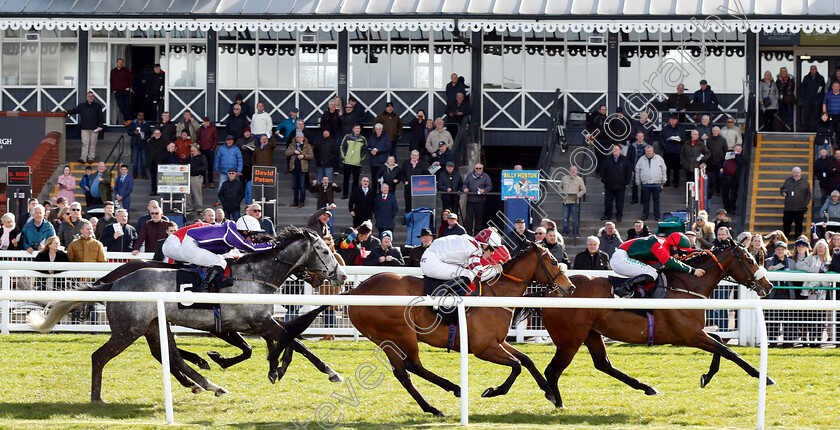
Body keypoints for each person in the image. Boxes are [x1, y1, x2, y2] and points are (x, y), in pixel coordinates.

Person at [181, 215, 276, 286]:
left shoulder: (233, 230)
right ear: (245, 232)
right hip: (190, 246)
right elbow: (252, 248)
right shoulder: (231, 235)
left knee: (223, 260)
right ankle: (205, 286)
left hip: (193, 244)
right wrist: (273, 244)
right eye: (253, 235)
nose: (253, 239)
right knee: (220, 263)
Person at [419, 228, 503, 305]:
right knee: (468, 275)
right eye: (493, 249)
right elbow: (479, 275)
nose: (493, 253)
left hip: (429, 257)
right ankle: (441, 291)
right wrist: (497, 269)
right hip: (432, 262)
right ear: (485, 246)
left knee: (465, 272)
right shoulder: (474, 249)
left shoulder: (471, 243)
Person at [611, 232, 705, 298]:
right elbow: (669, 262)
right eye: (680, 253)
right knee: (652, 273)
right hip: (621, 258)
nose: (680, 257)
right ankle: (624, 288)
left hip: (625, 257)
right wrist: (693, 271)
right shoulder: (659, 244)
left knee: (653, 272)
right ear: (675, 248)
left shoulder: (663, 244)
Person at [764, 241, 797, 347]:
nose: (780, 251)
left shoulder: (792, 262)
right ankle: (773, 342)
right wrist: (768, 271)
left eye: (782, 249)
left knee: (788, 319)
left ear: (786, 250)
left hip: (787, 293)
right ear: (775, 250)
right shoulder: (768, 261)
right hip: (774, 294)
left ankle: (787, 342)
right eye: (778, 249)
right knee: (773, 319)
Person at [64, 91, 105, 163]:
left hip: (95, 128)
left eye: (92, 96)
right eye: (89, 96)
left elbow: (101, 117)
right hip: (84, 128)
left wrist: (100, 126)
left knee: (92, 144)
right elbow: (74, 111)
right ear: (86, 97)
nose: (90, 98)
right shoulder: (82, 106)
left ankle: (91, 158)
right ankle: (83, 158)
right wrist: (66, 111)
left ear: (94, 97)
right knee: (85, 143)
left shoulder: (98, 106)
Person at [599, 144, 632, 222]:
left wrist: (626, 182)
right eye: (614, 149)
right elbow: (602, 170)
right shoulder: (607, 159)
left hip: (621, 185)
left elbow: (629, 172)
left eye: (617, 149)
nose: (615, 151)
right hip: (609, 185)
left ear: (620, 151)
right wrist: (604, 180)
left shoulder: (625, 160)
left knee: (620, 202)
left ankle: (619, 216)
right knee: (608, 201)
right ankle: (607, 215)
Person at [636, 145, 666, 221]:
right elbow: (637, 171)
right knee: (645, 200)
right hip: (645, 184)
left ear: (653, 151)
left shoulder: (659, 158)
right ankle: (645, 215)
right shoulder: (641, 159)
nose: (649, 153)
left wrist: (663, 180)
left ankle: (657, 215)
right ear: (645, 151)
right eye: (647, 151)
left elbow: (664, 170)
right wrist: (638, 181)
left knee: (656, 200)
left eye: (650, 151)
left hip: (656, 183)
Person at [780, 167, 812, 239]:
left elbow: (809, 194)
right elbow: (782, 189)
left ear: (800, 173)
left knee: (798, 225)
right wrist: (783, 193)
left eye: (797, 172)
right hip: (788, 208)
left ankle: (797, 239)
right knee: (786, 224)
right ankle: (785, 239)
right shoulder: (788, 181)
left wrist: (805, 203)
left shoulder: (805, 182)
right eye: (794, 172)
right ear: (792, 173)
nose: (796, 174)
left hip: (800, 208)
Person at [462, 163, 492, 235]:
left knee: (479, 217)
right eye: (477, 168)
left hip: (480, 200)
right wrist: (465, 188)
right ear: (474, 169)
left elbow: (489, 186)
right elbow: (465, 184)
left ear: (482, 169)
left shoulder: (485, 176)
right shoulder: (470, 175)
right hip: (470, 199)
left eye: (480, 168)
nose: (478, 170)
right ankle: (469, 232)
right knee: (469, 217)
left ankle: (477, 232)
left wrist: (484, 190)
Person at [286, 134, 314, 207]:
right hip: (294, 168)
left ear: (303, 138)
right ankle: (295, 201)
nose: (299, 138)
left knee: (302, 186)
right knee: (295, 186)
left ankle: (302, 201)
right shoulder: (292, 145)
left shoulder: (307, 145)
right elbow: (286, 153)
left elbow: (311, 155)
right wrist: (293, 152)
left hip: (303, 168)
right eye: (298, 137)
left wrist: (304, 156)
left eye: (301, 137)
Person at [340, 124, 367, 197]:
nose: (357, 130)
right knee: (346, 179)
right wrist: (345, 157)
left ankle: (354, 194)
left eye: (359, 128)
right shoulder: (347, 137)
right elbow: (343, 147)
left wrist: (360, 158)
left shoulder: (363, 139)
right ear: (353, 129)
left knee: (356, 180)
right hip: (347, 162)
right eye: (356, 128)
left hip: (357, 163)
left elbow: (364, 150)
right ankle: (345, 194)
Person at [720, 144, 746, 214]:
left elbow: (742, 163)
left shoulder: (742, 157)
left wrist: (736, 155)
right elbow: (721, 161)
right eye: (736, 149)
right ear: (733, 149)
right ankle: (726, 207)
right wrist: (721, 168)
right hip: (725, 177)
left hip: (734, 178)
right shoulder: (727, 154)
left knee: (733, 194)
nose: (737, 150)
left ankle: (732, 208)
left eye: (739, 149)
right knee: (724, 193)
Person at [559, 166, 585, 236]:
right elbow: (559, 187)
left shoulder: (579, 179)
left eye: (574, 170)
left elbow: (583, 189)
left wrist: (577, 196)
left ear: (577, 171)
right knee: (565, 218)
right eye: (571, 170)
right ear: (569, 171)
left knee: (575, 219)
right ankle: (565, 232)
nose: (573, 171)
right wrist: (562, 194)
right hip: (565, 201)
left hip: (575, 202)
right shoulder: (564, 178)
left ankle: (576, 233)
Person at [801, 65, 826, 131]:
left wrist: (819, 99)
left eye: (814, 69)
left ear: (816, 69)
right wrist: (804, 98)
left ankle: (817, 129)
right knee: (807, 115)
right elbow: (802, 88)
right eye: (812, 69)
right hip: (807, 100)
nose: (813, 70)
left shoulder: (821, 78)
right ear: (810, 70)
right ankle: (806, 129)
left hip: (817, 100)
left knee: (817, 115)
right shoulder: (806, 78)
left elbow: (823, 89)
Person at [127, 112, 151, 178]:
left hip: (143, 144)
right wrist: (133, 132)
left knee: (143, 160)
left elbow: (149, 134)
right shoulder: (133, 123)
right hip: (135, 144)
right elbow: (128, 132)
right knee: (135, 160)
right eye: (140, 115)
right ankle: (134, 174)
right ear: (137, 116)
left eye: (142, 115)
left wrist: (145, 137)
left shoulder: (146, 124)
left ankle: (143, 174)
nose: (141, 116)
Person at [110, 58, 133, 125]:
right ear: (116, 63)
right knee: (121, 107)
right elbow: (111, 80)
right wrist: (114, 89)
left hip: (125, 91)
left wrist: (128, 87)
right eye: (119, 62)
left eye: (121, 62)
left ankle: (127, 121)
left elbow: (131, 79)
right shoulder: (113, 71)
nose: (120, 63)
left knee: (127, 106)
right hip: (117, 92)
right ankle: (127, 120)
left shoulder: (126, 70)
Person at [146, 128, 168, 196]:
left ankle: (160, 191)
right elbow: (147, 152)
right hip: (152, 162)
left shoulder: (164, 142)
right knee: (153, 177)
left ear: (160, 134)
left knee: (160, 178)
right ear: (153, 134)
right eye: (155, 133)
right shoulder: (150, 142)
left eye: (158, 133)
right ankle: (153, 190)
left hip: (161, 163)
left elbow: (166, 152)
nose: (157, 135)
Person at [197, 116, 218, 188]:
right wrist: (199, 147)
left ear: (209, 122)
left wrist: (213, 147)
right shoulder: (201, 129)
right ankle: (203, 182)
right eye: (204, 121)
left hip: (210, 150)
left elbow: (215, 139)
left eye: (207, 121)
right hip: (202, 149)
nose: (206, 123)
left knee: (210, 166)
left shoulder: (213, 129)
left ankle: (211, 181)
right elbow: (198, 139)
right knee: (202, 166)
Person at [186, 144, 207, 213]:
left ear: (196, 148)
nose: (191, 148)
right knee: (188, 193)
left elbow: (204, 166)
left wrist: (197, 170)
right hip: (189, 176)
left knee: (197, 193)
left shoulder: (202, 157)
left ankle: (199, 208)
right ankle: (189, 207)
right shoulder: (189, 156)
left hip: (197, 177)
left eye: (192, 147)